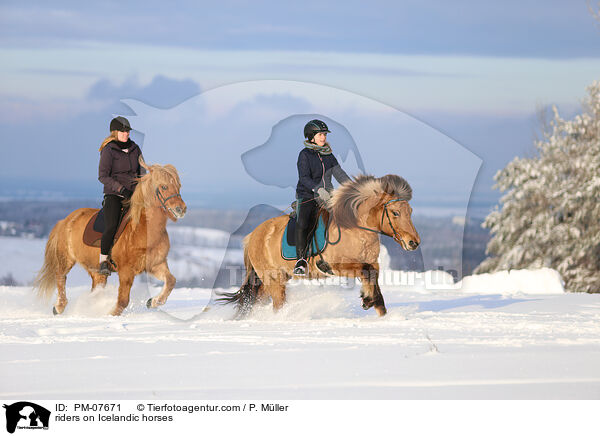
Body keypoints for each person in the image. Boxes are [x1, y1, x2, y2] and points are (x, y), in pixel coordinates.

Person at [294, 119, 350, 276]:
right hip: (308, 195)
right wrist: (317, 189)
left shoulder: (329, 155)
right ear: (311, 136)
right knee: (305, 223)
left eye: (324, 134)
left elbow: (340, 174)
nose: (323, 137)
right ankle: (301, 261)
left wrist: (352, 187)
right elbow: (304, 177)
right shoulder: (304, 155)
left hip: (328, 196)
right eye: (320, 134)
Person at [97, 116, 144, 275]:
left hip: (134, 194)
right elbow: (103, 176)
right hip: (114, 194)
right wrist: (121, 189)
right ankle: (103, 260)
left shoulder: (135, 148)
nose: (126, 134)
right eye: (123, 131)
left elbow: (141, 172)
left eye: (128, 131)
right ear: (115, 132)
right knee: (111, 225)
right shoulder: (109, 150)